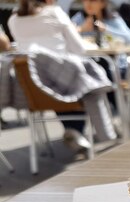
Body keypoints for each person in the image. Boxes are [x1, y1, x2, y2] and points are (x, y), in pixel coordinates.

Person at [8, 0, 98, 153]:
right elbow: (79, 48)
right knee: (86, 78)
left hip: (32, 89)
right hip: (63, 87)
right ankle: (78, 130)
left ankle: (74, 131)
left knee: (55, 79)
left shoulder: (13, 20)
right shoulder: (55, 12)